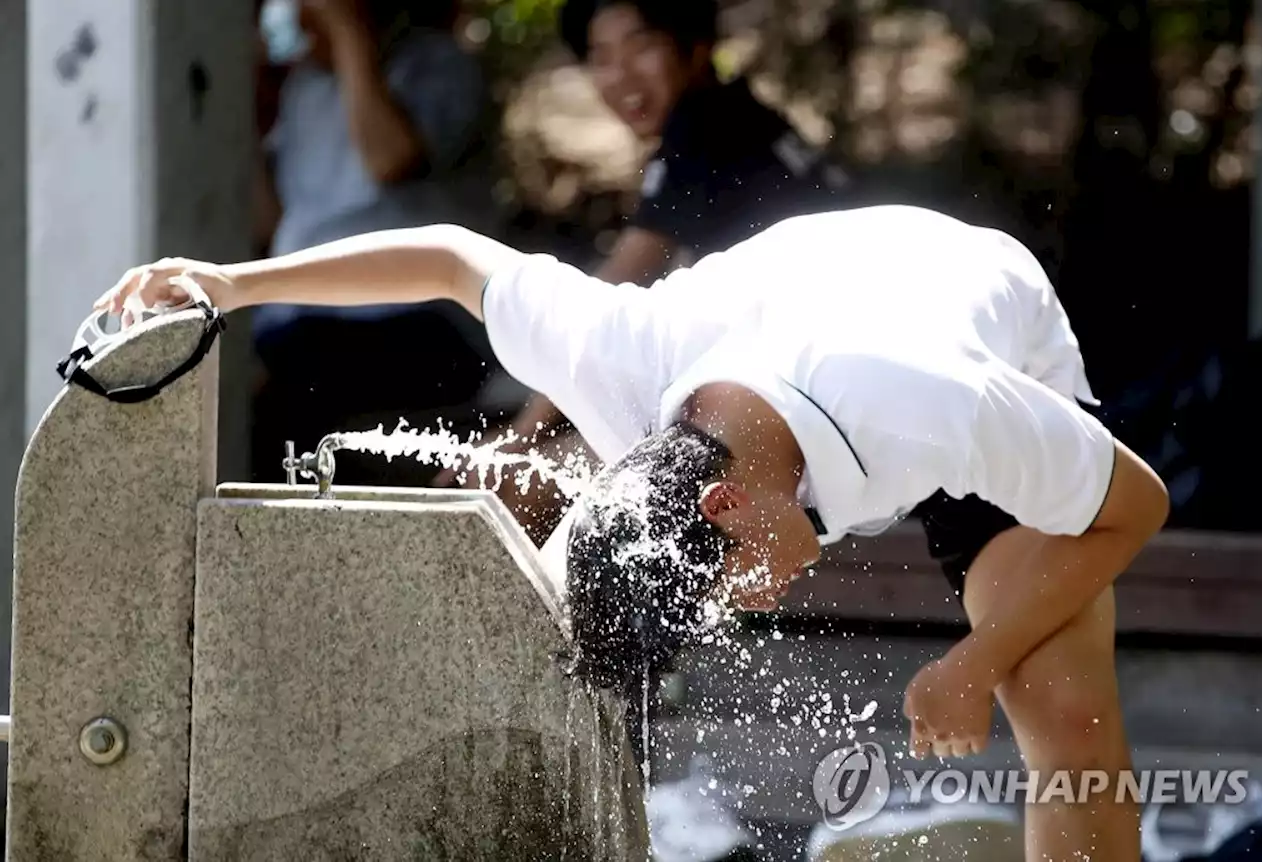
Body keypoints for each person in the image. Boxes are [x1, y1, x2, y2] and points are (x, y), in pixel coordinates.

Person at [98, 205, 1169, 862]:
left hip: (960, 300)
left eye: (733, 584)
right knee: (563, 632)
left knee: (1059, 703)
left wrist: (970, 663)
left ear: (721, 506)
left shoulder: (945, 403)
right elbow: (453, 259)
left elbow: (1138, 506)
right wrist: (231, 284)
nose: (753, 605)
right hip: (784, 323)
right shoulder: (618, 360)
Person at [442, 0, 856, 539]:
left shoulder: (704, 127)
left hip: (809, 416)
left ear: (697, 48)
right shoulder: (743, 117)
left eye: (641, 47)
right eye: (603, 57)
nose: (622, 75)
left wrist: (522, 434)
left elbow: (608, 298)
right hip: (811, 398)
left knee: (510, 487)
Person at [251, 0, 501, 484]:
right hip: (303, 325)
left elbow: (389, 160)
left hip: (419, 320)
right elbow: (270, 221)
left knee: (293, 405)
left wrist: (350, 39)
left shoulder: (438, 66)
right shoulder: (304, 88)